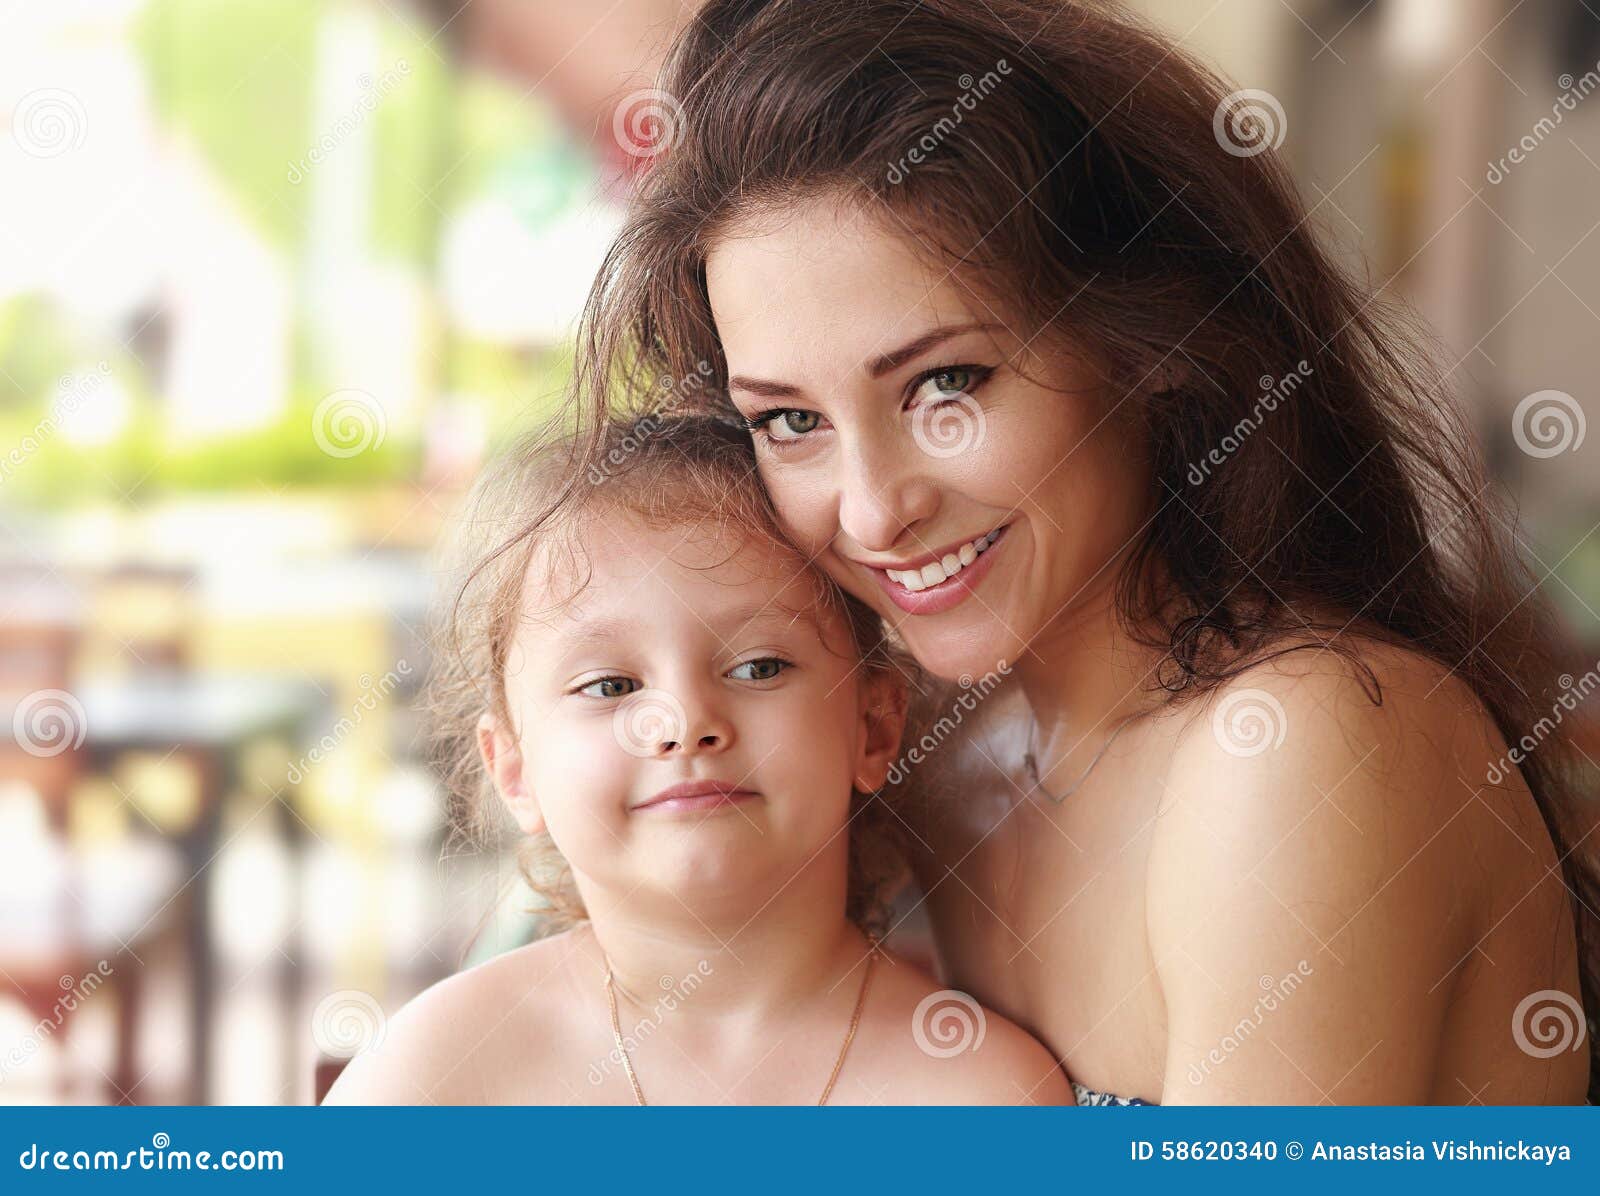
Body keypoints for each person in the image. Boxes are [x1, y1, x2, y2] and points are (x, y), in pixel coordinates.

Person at [565, 0, 1598, 1104]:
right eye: (789, 421)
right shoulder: (926, 760)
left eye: (945, 385)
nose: (871, 512)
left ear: (1151, 342)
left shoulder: (1299, 745)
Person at [323, 415, 1071, 1105]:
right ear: (514, 770)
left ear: (873, 727)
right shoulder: (433, 1078)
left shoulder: (981, 1097)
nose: (682, 724)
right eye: (610, 686)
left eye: (759, 668)